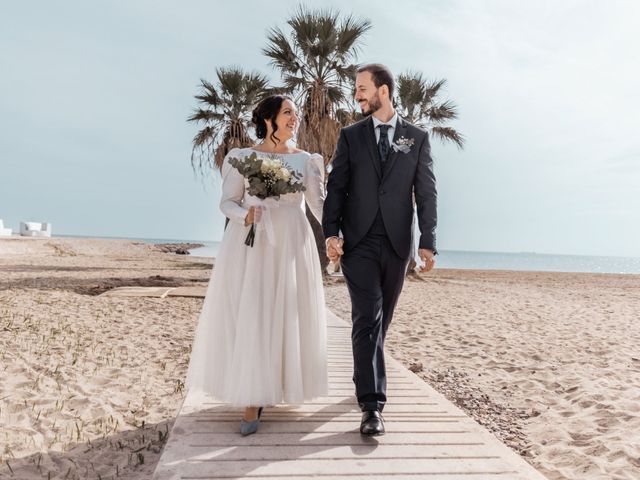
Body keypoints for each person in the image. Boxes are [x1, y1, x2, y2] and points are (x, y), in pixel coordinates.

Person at [185, 95, 328, 436]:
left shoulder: (308, 161)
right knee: (254, 312)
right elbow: (227, 202)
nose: (295, 118)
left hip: (294, 241)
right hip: (253, 243)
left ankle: (277, 385)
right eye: (288, 113)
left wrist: (338, 236)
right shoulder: (242, 158)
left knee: (288, 312)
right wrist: (244, 214)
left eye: (296, 113)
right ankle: (252, 397)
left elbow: (319, 206)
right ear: (269, 119)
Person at [322, 64, 437, 436]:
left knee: (381, 321)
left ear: (383, 91)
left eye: (362, 88)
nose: (356, 94)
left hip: (398, 243)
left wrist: (427, 241)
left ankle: (364, 374)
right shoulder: (351, 136)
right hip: (359, 242)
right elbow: (336, 186)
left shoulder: (416, 137)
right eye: (356, 89)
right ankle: (372, 406)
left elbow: (426, 192)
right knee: (367, 317)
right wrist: (331, 234)